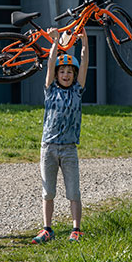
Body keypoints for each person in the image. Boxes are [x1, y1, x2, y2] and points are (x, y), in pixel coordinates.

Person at [32, 30, 89, 243]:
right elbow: (49, 64)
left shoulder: (77, 90)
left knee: (73, 191)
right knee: (48, 191)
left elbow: (84, 64)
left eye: (69, 72)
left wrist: (84, 42)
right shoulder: (49, 89)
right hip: (48, 147)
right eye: (62, 71)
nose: (66, 75)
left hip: (69, 148)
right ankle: (47, 229)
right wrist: (56, 41)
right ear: (56, 75)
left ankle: (76, 229)